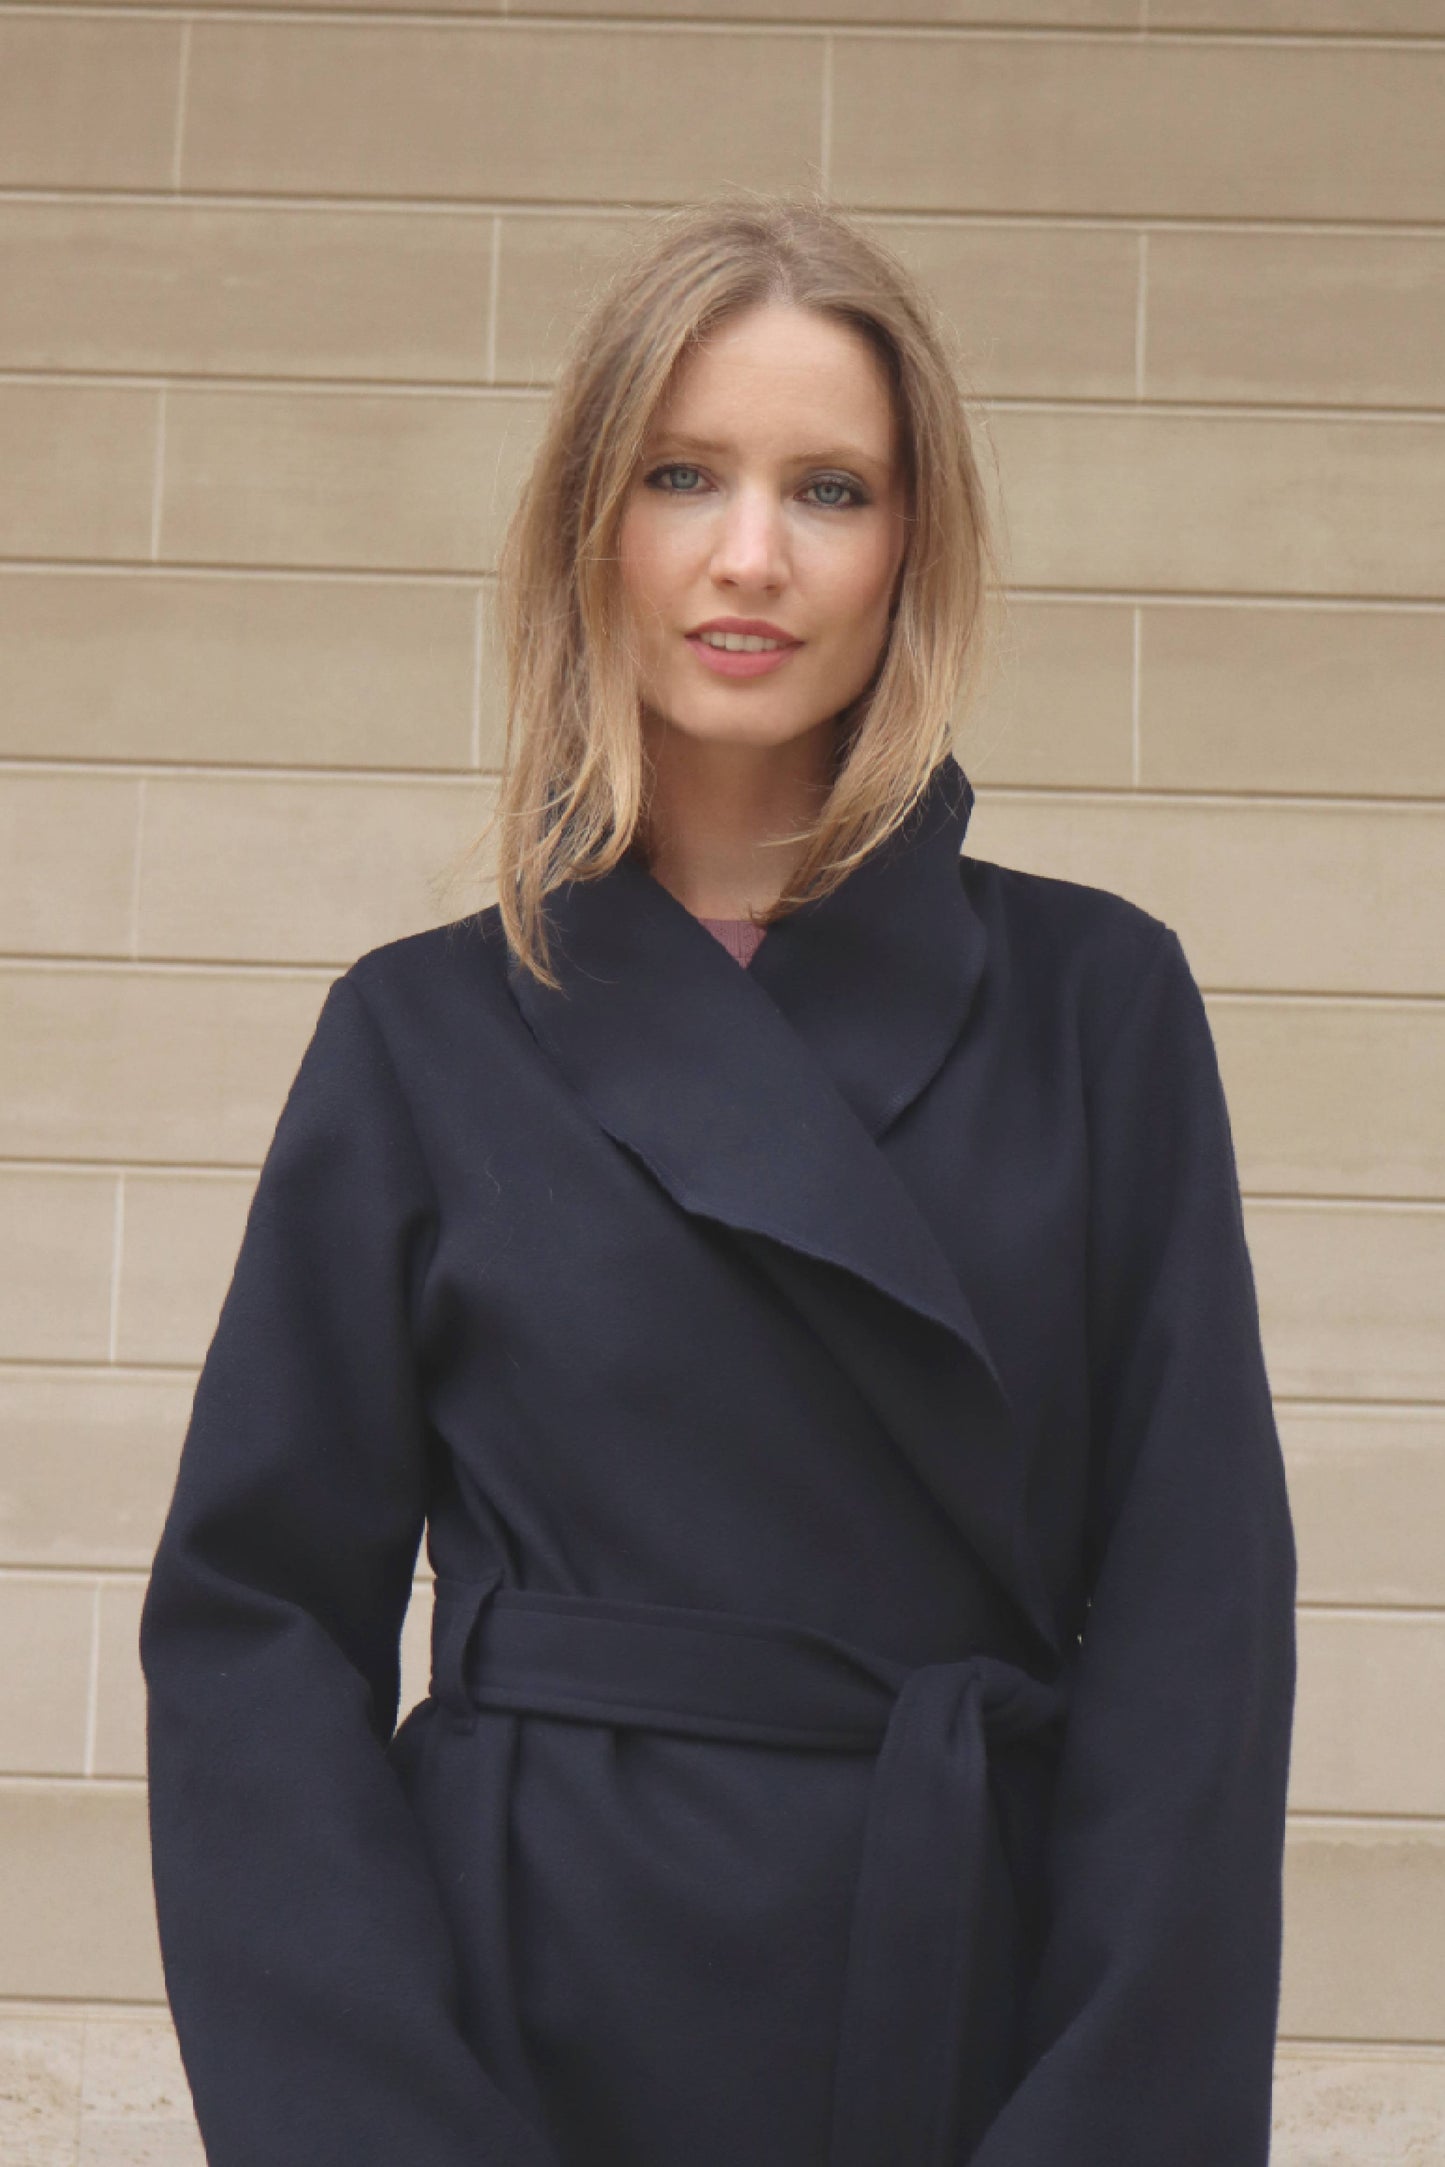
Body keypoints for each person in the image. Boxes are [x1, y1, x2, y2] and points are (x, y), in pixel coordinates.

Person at [139, 190, 1298, 2167]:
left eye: (829, 488)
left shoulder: (1101, 1004)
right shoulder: (423, 1034)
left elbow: (1200, 1643)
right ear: (595, 517)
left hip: (957, 2019)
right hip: (520, 2029)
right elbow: (251, 1625)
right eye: (687, 474)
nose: (751, 554)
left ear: (913, 543)